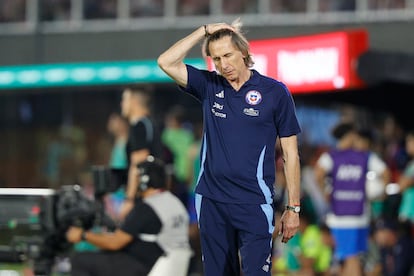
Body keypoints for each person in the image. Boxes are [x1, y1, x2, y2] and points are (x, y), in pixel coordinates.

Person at [157, 18, 302, 276]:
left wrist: (293, 208)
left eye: (228, 55)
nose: (224, 65)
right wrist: (203, 31)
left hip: (254, 201)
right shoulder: (210, 86)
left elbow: (291, 154)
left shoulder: (275, 93)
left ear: (244, 52)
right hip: (212, 201)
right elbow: (165, 62)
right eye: (216, 58)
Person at [66, 156, 191, 276]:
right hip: (166, 263)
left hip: (144, 266)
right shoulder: (175, 203)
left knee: (80, 260)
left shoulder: (147, 208)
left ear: (143, 180)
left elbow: (115, 243)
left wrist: (83, 235)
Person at [314, 122, 388, 276]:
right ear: (348, 136)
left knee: (350, 258)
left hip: (340, 216)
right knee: (353, 258)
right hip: (360, 215)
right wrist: (381, 193)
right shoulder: (364, 156)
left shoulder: (331, 157)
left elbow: (318, 174)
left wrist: (325, 193)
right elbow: (385, 172)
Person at [119, 85, 158, 219]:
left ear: (134, 102)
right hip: (154, 195)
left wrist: (129, 200)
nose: (121, 104)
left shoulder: (139, 126)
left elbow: (138, 163)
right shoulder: (150, 123)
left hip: (145, 196)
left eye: (124, 100)